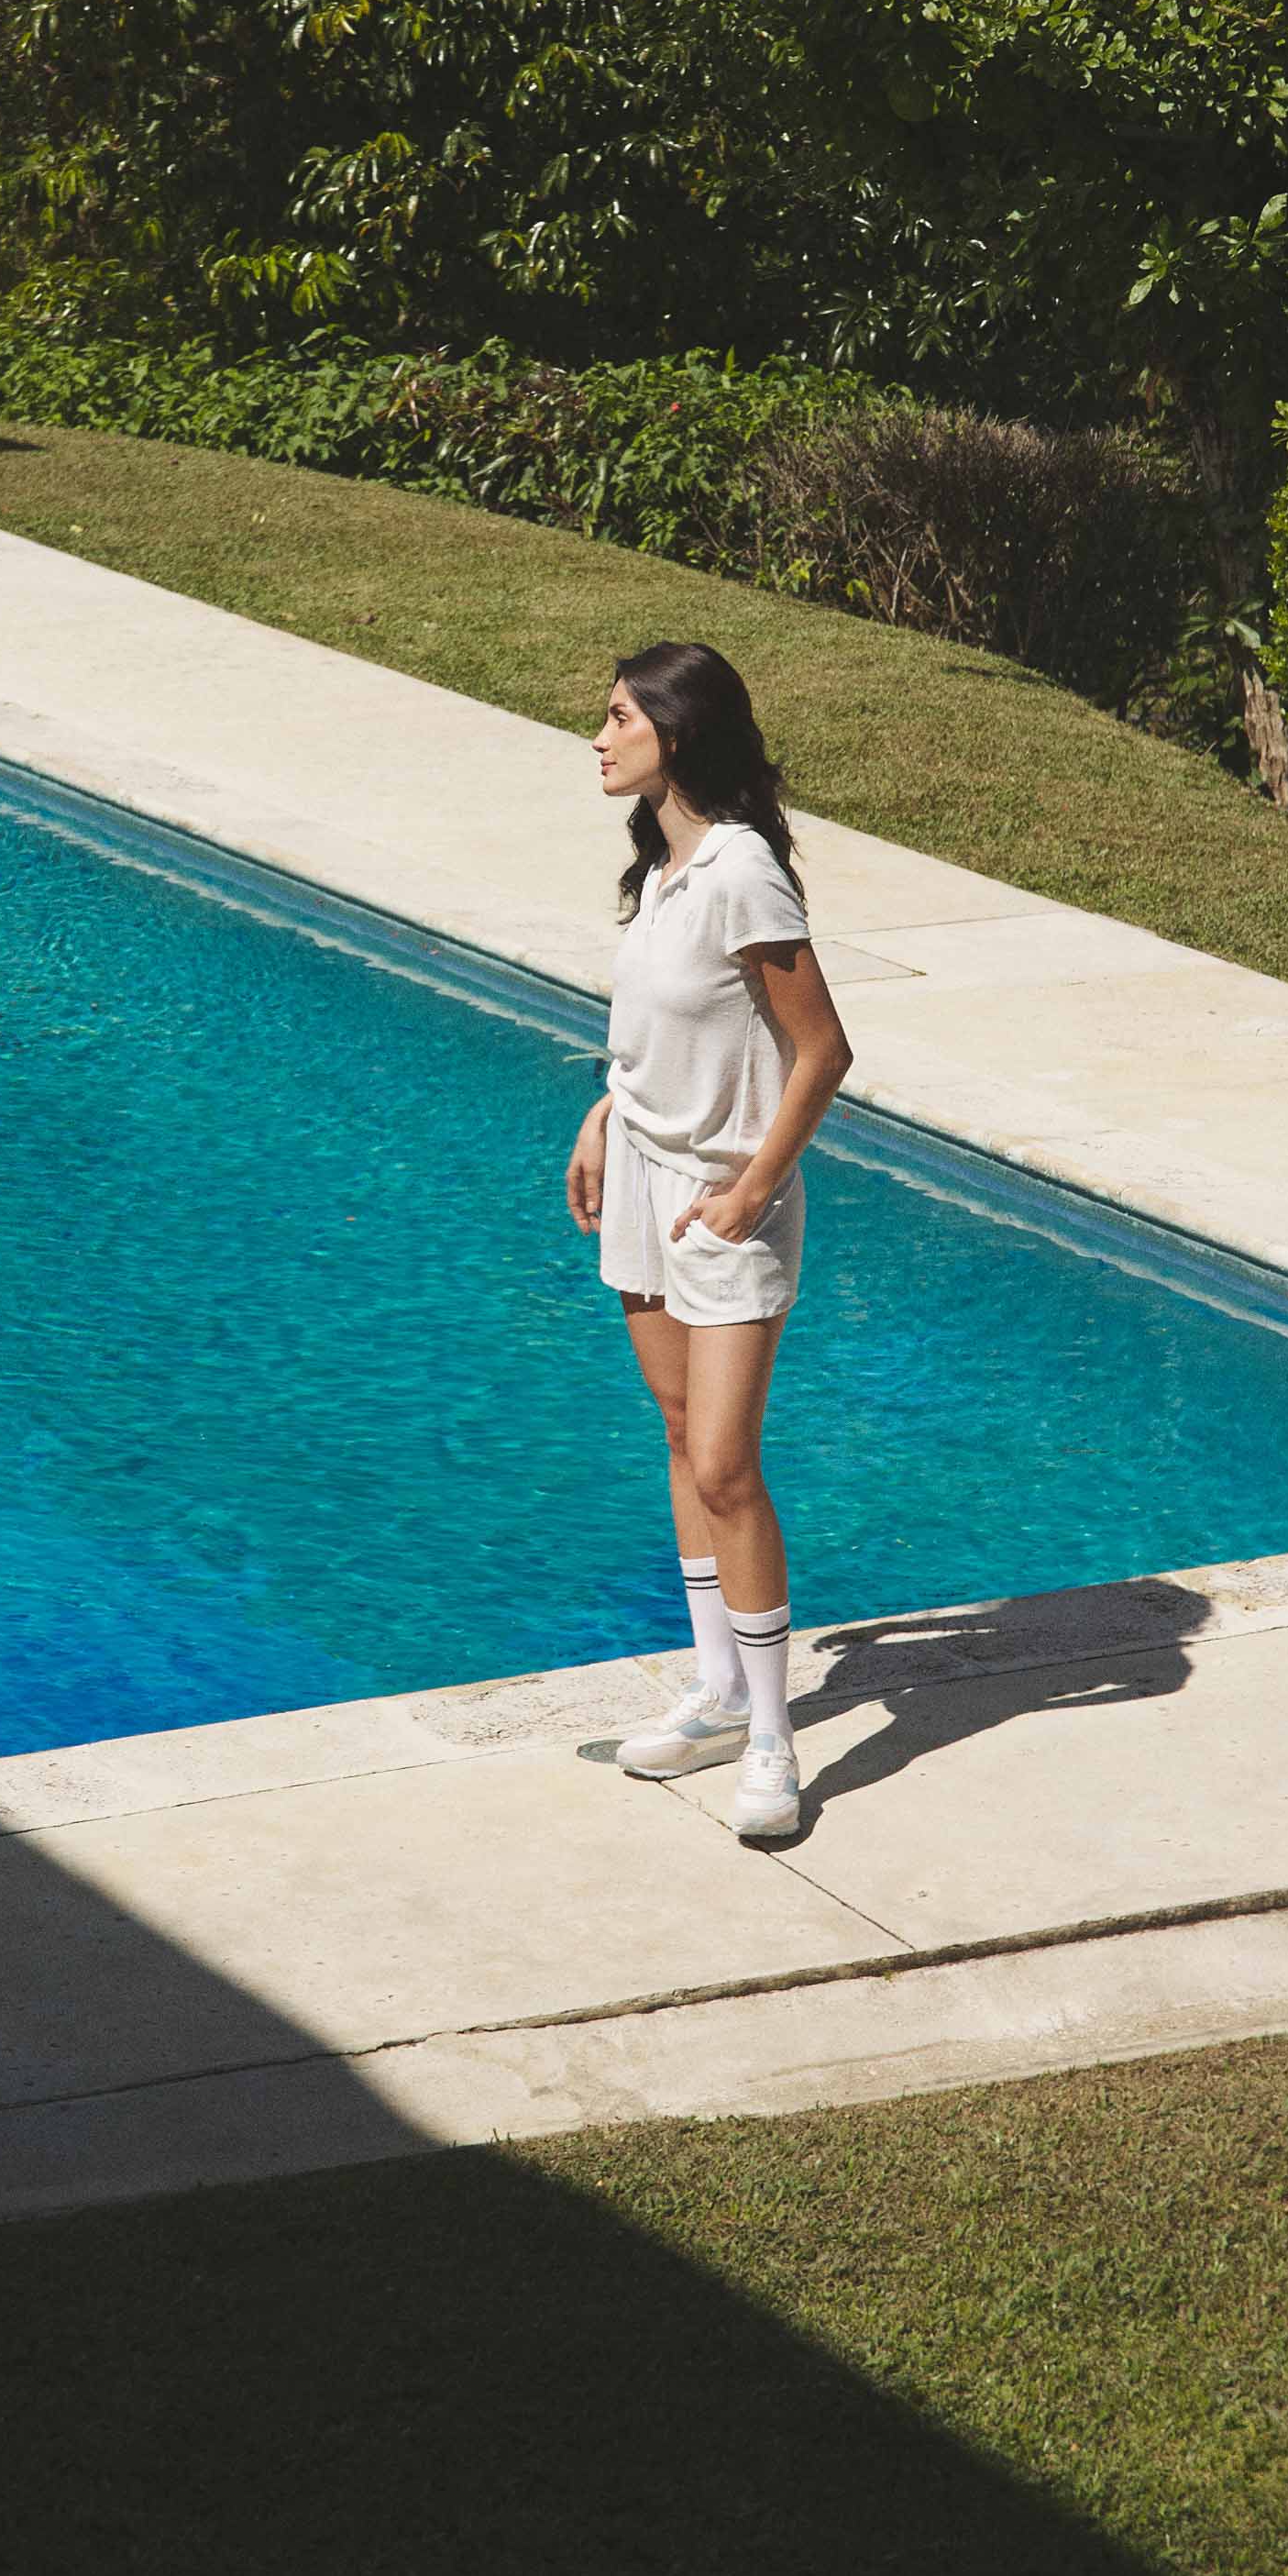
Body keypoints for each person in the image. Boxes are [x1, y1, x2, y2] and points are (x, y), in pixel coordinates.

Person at [565, 641, 852, 1841]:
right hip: (638, 1174)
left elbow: (823, 1052)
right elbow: (657, 1027)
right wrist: (600, 1110)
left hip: (721, 1198)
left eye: (617, 715)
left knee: (726, 1461)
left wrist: (751, 1191)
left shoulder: (741, 875)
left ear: (674, 734)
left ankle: (774, 1744)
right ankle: (716, 1691)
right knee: (680, 1431)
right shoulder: (667, 863)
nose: (597, 734)